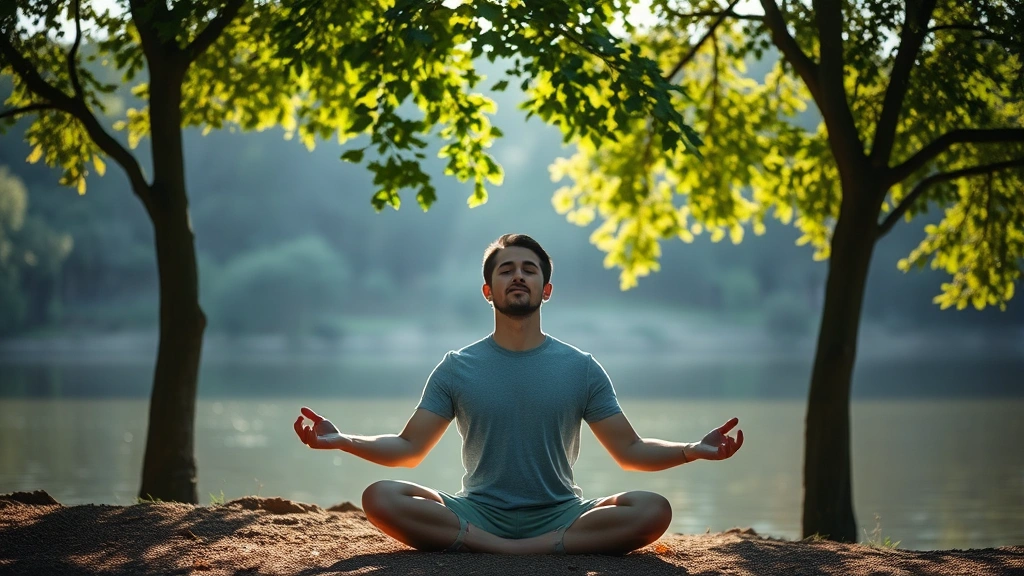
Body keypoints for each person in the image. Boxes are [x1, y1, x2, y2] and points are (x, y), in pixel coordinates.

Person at [294, 233, 743, 555]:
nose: (518, 276)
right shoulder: (457, 367)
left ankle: (530, 545)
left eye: (529, 270)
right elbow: (409, 448)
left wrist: (692, 450)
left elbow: (630, 450)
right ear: (489, 291)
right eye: (506, 270)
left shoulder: (581, 368)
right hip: (477, 511)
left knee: (652, 508)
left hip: (562, 513)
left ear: (546, 290)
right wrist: (343, 440)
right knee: (380, 496)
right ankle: (503, 546)